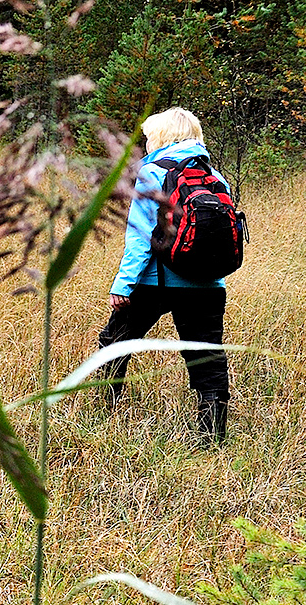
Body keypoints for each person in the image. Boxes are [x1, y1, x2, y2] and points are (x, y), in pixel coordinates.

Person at [99, 107, 233, 444]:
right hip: (207, 285)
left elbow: (140, 234)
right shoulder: (215, 176)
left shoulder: (152, 173)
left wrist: (124, 282)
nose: (145, 143)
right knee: (207, 357)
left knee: (114, 343)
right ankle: (213, 436)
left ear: (162, 137)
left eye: (148, 136)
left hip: (155, 282)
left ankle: (105, 413)